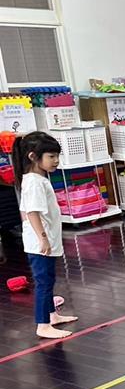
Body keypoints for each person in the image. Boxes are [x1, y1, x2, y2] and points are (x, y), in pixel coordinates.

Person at [12, 132, 78, 339]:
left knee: (48, 279)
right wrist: (42, 238)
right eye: (51, 156)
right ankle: (43, 325)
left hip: (45, 239)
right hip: (40, 243)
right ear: (33, 157)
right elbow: (31, 212)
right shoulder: (34, 182)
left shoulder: (38, 179)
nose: (56, 160)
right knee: (43, 283)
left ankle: (51, 315)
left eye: (57, 155)